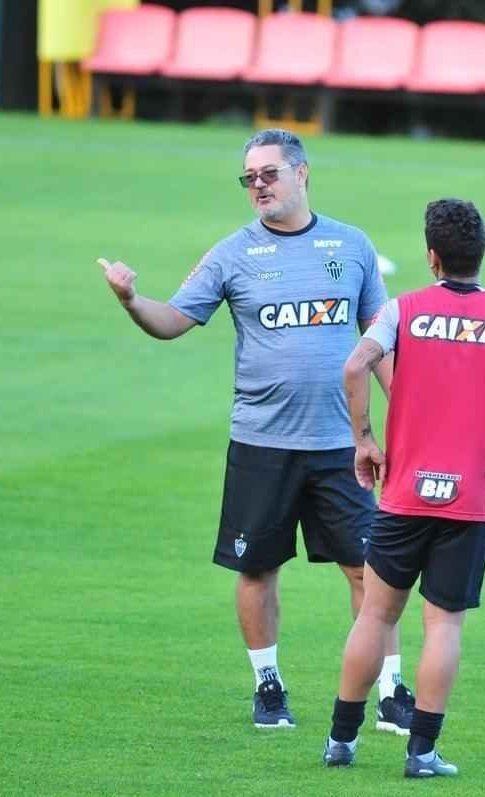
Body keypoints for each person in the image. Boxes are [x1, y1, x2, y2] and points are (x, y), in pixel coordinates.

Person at [98, 129, 414, 732]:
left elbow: (379, 344)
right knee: (257, 569)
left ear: (302, 174)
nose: (258, 186)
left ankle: (390, 690)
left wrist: (407, 423)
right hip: (262, 442)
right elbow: (172, 321)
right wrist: (131, 299)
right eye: (249, 178)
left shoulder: (351, 246)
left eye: (269, 174)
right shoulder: (232, 254)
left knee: (369, 570)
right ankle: (269, 685)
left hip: (340, 445)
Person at [322, 199, 485, 777]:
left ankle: (340, 741)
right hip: (471, 499)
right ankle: (422, 753)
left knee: (375, 616)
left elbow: (355, 366)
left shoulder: (402, 311)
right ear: (481, 254)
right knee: (443, 625)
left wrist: (364, 440)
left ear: (432, 256)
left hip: (405, 493)